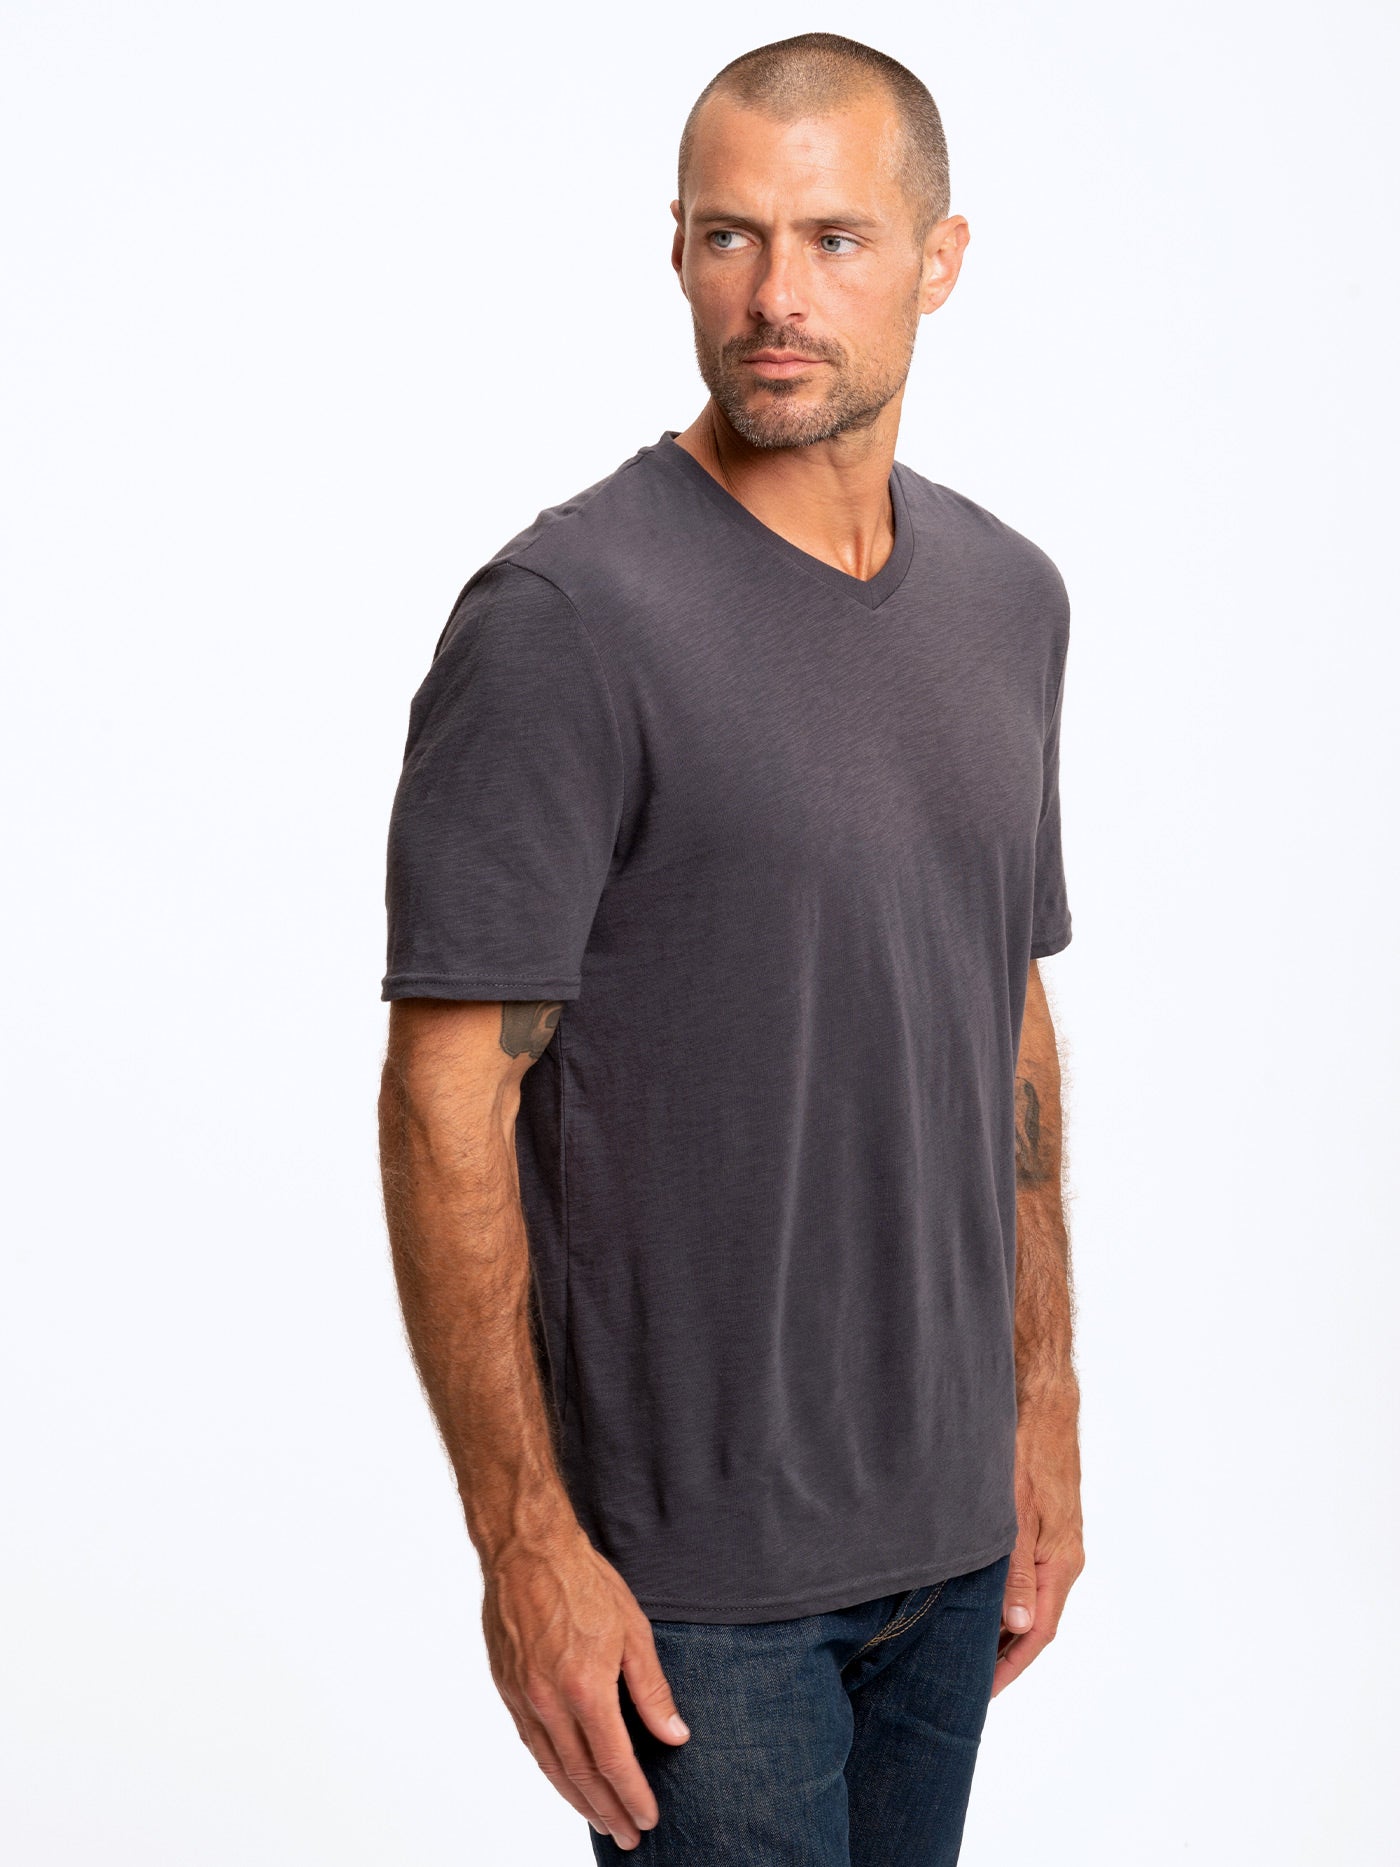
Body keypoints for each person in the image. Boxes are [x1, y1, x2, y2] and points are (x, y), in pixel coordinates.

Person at [377, 30, 1084, 1865]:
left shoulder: (1009, 601)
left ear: (939, 260)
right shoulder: (564, 618)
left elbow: (1003, 1012)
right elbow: (448, 1096)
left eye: (835, 239)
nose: (776, 296)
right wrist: (525, 1541)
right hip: (695, 1587)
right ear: (678, 249)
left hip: (950, 1539)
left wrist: (1044, 1403)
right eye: (728, 237)